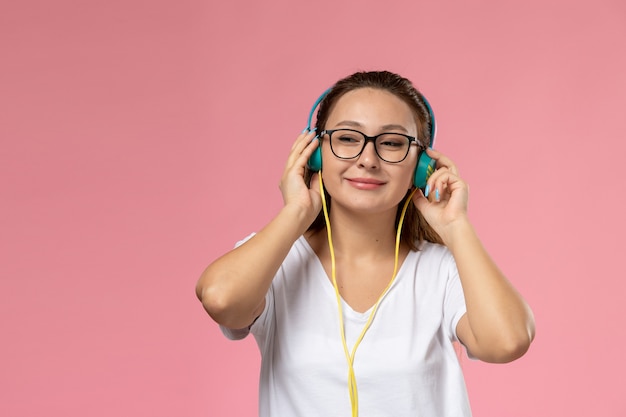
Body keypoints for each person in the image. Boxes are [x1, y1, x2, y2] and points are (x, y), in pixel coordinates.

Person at [196, 70, 535, 417]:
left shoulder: (443, 270)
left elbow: (507, 342)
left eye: (391, 143)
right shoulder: (275, 261)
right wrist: (296, 211)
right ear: (314, 153)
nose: (368, 159)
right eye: (347, 138)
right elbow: (221, 299)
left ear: (421, 166)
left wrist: (457, 226)